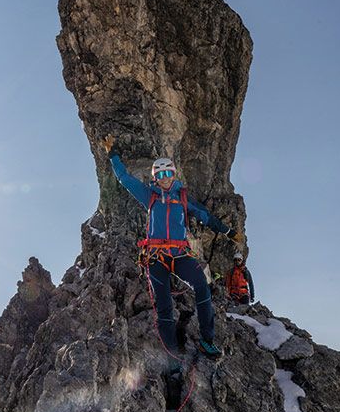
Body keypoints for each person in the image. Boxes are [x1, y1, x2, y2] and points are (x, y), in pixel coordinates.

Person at [103, 135, 242, 362]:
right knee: (164, 304)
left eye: (168, 173)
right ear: (155, 178)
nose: (165, 178)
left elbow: (206, 217)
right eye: (160, 175)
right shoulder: (149, 196)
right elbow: (124, 178)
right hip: (156, 258)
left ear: (174, 174)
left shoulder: (183, 198)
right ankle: (172, 356)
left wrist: (228, 232)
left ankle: (208, 340)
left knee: (202, 286)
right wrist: (113, 154)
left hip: (180, 255)